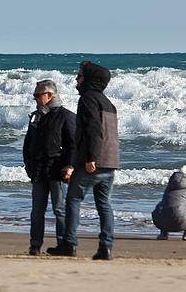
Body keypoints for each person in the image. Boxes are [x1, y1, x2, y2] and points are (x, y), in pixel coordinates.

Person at [47, 61, 119, 260]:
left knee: (73, 200)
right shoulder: (108, 103)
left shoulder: (88, 99)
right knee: (104, 204)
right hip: (110, 162)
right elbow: (110, 135)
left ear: (90, 80)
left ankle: (69, 244)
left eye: (80, 76)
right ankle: (106, 247)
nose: (76, 80)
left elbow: (93, 130)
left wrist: (90, 158)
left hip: (92, 162)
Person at [23, 80, 75, 256]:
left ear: (50, 95)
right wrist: (28, 165)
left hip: (57, 171)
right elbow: (28, 143)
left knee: (59, 209)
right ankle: (35, 245)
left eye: (38, 95)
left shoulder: (65, 116)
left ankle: (64, 244)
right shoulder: (37, 116)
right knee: (37, 211)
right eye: (35, 95)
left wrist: (70, 166)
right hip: (38, 170)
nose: (35, 98)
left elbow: (73, 145)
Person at [152, 165, 186, 241]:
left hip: (161, 222)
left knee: (164, 206)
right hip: (180, 222)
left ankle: (163, 234)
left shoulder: (168, 189)